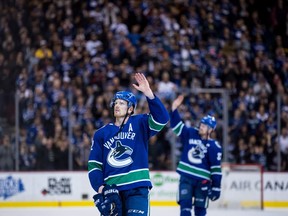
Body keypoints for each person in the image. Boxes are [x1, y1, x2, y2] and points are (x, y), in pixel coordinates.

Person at [88, 73, 169, 216]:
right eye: (116, 102)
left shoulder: (140, 123)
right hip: (112, 191)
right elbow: (94, 165)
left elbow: (162, 118)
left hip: (137, 187)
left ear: (130, 109)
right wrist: (101, 189)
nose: (117, 105)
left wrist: (148, 94)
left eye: (122, 103)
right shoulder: (101, 133)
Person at [170, 95, 222, 216]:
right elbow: (177, 127)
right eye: (201, 124)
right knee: (185, 208)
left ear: (211, 130)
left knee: (200, 211)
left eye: (205, 126)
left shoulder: (214, 146)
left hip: (203, 181)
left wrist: (216, 187)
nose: (201, 126)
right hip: (186, 178)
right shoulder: (191, 133)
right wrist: (174, 109)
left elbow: (215, 169)